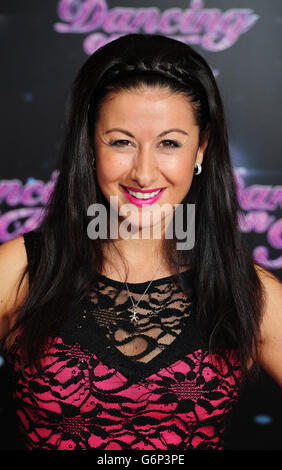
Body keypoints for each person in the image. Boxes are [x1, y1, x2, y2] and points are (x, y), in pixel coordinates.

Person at [0, 33, 281, 451]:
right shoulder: (18, 269)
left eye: (169, 143)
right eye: (121, 142)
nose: (144, 174)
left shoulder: (248, 290)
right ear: (91, 146)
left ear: (200, 149)